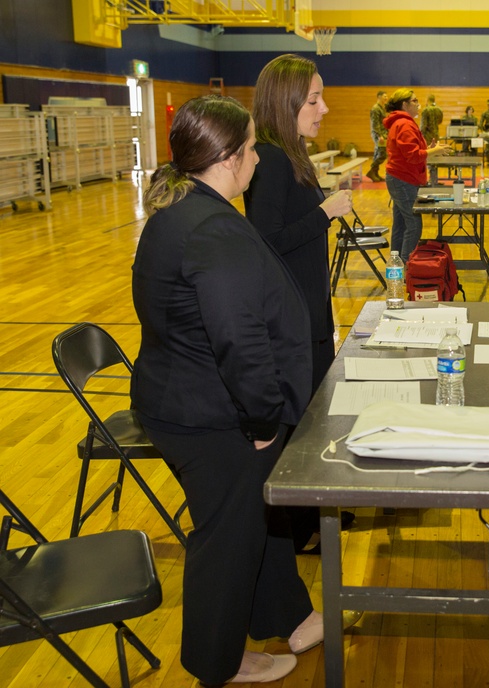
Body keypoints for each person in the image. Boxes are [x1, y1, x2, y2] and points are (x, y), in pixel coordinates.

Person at [132, 94, 324, 685]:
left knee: (252, 517)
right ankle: (219, 660)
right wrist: (263, 422)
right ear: (227, 158)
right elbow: (238, 341)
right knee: (227, 538)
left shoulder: (186, 209)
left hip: (190, 400)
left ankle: (286, 614)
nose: (258, 163)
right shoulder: (212, 231)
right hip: (211, 416)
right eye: (250, 152)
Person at [243, 54, 355, 550]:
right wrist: (325, 213)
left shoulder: (290, 153)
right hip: (290, 319)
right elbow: (264, 240)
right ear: (286, 103)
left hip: (309, 311)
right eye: (313, 99)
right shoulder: (266, 158)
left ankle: (310, 517)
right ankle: (296, 531)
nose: (324, 108)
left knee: (315, 418)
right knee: (301, 425)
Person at [384, 89, 452, 260]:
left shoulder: (402, 122)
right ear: (404, 104)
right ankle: (407, 265)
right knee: (414, 224)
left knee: (401, 225)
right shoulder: (404, 124)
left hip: (400, 177)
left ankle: (397, 265)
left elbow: (411, 152)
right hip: (403, 180)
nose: (418, 104)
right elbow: (413, 156)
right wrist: (434, 150)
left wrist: (429, 149)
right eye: (414, 101)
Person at [368, 90, 389, 182]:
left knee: (378, 153)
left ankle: (375, 174)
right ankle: (372, 171)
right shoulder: (376, 108)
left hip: (382, 134)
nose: (386, 98)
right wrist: (379, 136)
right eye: (384, 96)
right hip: (379, 135)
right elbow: (375, 124)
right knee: (382, 153)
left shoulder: (381, 108)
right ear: (379, 97)